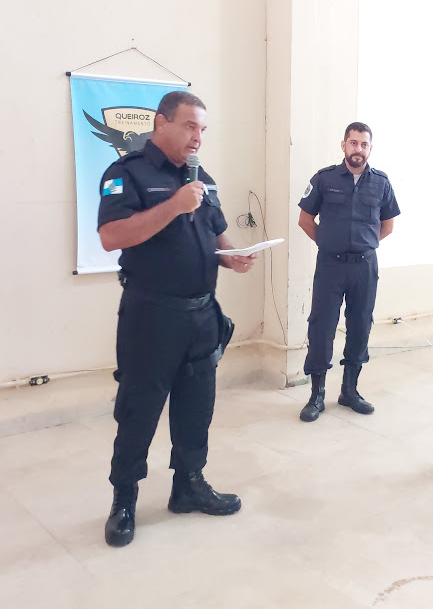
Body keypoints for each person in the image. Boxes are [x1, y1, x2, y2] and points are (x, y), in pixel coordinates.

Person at [98, 90, 256, 547]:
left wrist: (233, 257)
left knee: (196, 406)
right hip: (151, 316)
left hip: (202, 314)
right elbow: (111, 236)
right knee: (139, 409)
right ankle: (124, 499)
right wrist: (174, 205)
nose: (198, 138)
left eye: (203, 129)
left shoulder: (202, 178)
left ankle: (188, 485)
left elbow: (217, 235)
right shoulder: (126, 173)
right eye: (190, 126)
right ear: (161, 123)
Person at [297, 123, 400, 422]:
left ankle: (349, 391)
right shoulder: (324, 178)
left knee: (360, 326)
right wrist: (328, 243)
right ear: (343, 145)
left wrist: (363, 244)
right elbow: (305, 220)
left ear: (370, 148)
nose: (358, 149)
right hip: (331, 265)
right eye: (353, 143)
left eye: (364, 144)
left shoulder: (381, 182)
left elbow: (388, 225)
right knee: (322, 326)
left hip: (365, 267)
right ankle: (316, 395)